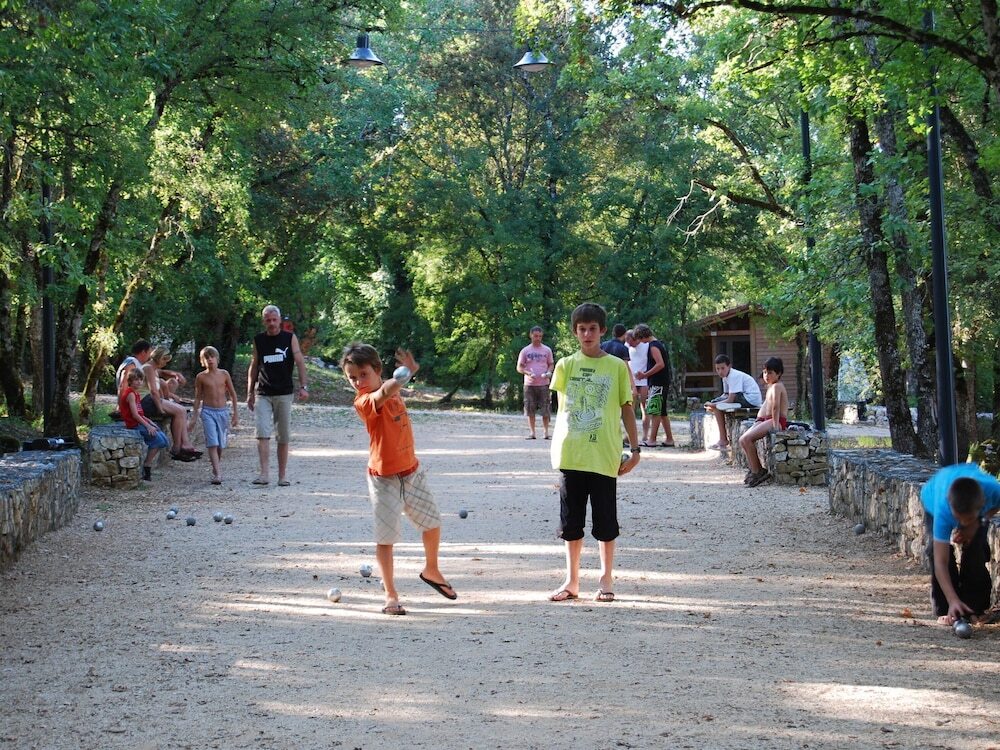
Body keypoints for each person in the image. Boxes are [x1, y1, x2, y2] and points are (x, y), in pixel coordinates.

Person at [341, 343, 458, 616]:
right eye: (352, 377)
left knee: (432, 523)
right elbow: (383, 393)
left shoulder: (391, 389)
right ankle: (391, 595)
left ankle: (431, 569)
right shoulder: (363, 401)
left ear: (377, 370)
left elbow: (389, 389)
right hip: (383, 479)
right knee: (386, 539)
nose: (358, 381)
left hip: (411, 471)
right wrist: (403, 377)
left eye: (363, 374)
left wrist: (405, 375)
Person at [548, 302, 640, 604]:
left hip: (604, 455)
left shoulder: (617, 366)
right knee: (571, 523)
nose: (587, 334)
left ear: (602, 330)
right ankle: (571, 581)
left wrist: (635, 449)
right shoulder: (565, 365)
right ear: (575, 332)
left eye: (592, 329)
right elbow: (563, 408)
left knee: (605, 522)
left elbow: (627, 408)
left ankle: (606, 578)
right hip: (571, 454)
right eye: (582, 329)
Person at [920, 463, 1000, 626]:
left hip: (976, 512)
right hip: (932, 497)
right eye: (958, 519)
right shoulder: (942, 510)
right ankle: (947, 608)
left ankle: (973, 608)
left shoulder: (993, 490)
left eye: (967, 519)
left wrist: (979, 522)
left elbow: (997, 505)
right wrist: (953, 600)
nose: (962, 524)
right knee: (936, 552)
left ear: (982, 504)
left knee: (976, 550)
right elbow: (940, 562)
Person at [247, 304, 309, 486]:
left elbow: (300, 362)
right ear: (264, 322)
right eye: (268, 320)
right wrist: (249, 392)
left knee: (283, 435)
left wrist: (303, 386)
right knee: (262, 433)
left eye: (274, 320)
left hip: (284, 393)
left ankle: (282, 476)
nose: (272, 323)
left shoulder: (289, 338)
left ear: (280, 320)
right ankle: (264, 474)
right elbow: (254, 365)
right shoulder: (259, 340)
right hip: (263, 393)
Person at [141, 348, 201, 461]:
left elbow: (163, 373)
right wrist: (160, 408)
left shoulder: (153, 369)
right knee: (179, 411)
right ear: (160, 358)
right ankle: (178, 448)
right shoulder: (148, 368)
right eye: (165, 360)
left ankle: (183, 445)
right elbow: (153, 391)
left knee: (182, 410)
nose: (165, 363)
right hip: (145, 401)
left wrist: (176, 374)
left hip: (151, 399)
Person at [191, 346, 239, 485]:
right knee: (212, 442)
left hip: (222, 412)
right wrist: (194, 416)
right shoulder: (201, 377)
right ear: (202, 361)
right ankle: (218, 473)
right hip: (208, 412)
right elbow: (198, 397)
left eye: (212, 357)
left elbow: (233, 394)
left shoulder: (224, 374)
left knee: (220, 445)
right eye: (206, 357)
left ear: (217, 358)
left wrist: (235, 414)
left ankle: (215, 464)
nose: (210, 360)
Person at [738, 357, 789, 487]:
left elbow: (776, 407)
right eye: (765, 372)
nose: (766, 375)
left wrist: (776, 424)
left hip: (775, 420)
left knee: (747, 439)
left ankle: (758, 472)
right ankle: (755, 469)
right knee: (742, 440)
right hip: (765, 420)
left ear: (779, 373)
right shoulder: (771, 386)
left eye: (770, 373)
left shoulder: (777, 386)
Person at [704, 354, 763, 451]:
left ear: (729, 366)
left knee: (716, 405)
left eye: (723, 368)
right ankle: (723, 439)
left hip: (750, 399)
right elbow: (725, 395)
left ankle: (723, 440)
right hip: (742, 397)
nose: (720, 371)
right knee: (716, 404)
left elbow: (731, 399)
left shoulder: (734, 376)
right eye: (718, 369)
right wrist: (714, 402)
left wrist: (715, 404)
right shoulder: (725, 377)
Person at [118, 369, 169, 481]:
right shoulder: (130, 394)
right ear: (130, 381)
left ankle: (147, 464)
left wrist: (151, 422)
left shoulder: (136, 393)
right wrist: (148, 426)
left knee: (165, 440)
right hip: (134, 424)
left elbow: (141, 414)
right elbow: (135, 415)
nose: (139, 382)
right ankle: (147, 466)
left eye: (141, 380)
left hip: (139, 422)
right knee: (159, 441)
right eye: (136, 379)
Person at [634, 324, 675, 447]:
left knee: (655, 410)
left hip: (658, 382)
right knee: (662, 412)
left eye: (639, 338)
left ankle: (652, 439)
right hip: (662, 381)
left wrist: (645, 375)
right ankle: (669, 439)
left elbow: (660, 364)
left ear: (643, 336)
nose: (640, 341)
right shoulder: (659, 344)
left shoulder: (653, 346)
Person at [516, 326, 555, 440]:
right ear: (531, 335)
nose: (538, 338)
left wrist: (549, 372)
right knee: (530, 409)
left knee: (545, 409)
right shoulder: (525, 351)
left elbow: (551, 364)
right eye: (535, 336)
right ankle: (532, 433)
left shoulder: (547, 350)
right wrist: (528, 373)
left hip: (544, 384)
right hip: (529, 384)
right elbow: (519, 367)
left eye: (540, 336)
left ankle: (546, 433)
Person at [626, 329, 650, 443]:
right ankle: (629, 436)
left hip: (644, 380)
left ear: (636, 339)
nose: (629, 344)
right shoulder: (626, 346)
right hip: (632, 381)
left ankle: (645, 436)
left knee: (645, 408)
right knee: (630, 409)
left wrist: (646, 374)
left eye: (630, 341)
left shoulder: (646, 346)